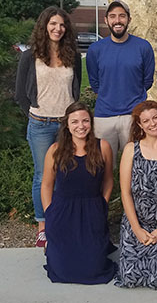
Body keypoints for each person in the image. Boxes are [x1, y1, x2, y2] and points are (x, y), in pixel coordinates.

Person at [15, 6, 82, 248]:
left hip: (67, 126)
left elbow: (75, 90)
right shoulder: (30, 55)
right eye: (53, 24)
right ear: (45, 26)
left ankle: (64, 220)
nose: (58, 28)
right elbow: (21, 94)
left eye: (62, 25)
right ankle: (43, 225)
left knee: (68, 173)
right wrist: (34, 114)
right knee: (43, 175)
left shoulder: (72, 55)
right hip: (41, 124)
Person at [40, 102, 115, 284]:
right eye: (75, 122)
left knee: (94, 270)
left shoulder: (102, 146)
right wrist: (49, 213)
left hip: (92, 210)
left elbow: (108, 180)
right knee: (63, 271)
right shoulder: (55, 150)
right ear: (67, 124)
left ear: (91, 123)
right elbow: (47, 185)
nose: (80, 126)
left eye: (85, 121)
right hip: (62, 214)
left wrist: (102, 205)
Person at [114, 101, 157, 290]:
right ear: (139, 125)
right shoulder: (131, 149)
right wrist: (136, 229)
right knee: (129, 279)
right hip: (136, 220)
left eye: (155, 117)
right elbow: (125, 192)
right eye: (146, 121)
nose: (152, 123)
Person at [86, 0, 155, 165]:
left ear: (129, 19)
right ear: (106, 20)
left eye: (122, 16)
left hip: (133, 117)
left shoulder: (143, 47)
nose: (117, 20)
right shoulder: (95, 50)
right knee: (102, 166)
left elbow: (147, 81)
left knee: (135, 166)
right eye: (113, 16)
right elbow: (95, 83)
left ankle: (129, 193)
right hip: (104, 117)